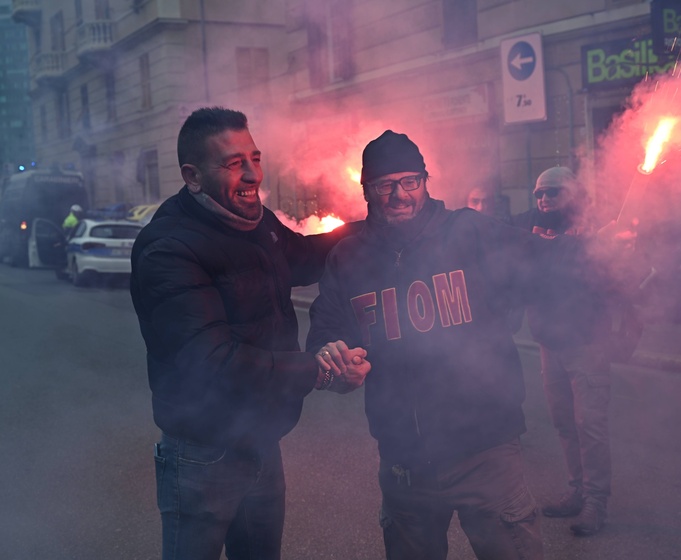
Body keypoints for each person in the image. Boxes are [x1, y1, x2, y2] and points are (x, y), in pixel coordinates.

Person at [306, 130, 584, 559]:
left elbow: (546, 262)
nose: (400, 194)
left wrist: (598, 250)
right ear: (367, 191)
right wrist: (334, 365)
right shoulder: (348, 256)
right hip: (403, 463)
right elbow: (324, 332)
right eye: (385, 185)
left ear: (425, 181)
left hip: (486, 452)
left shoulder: (470, 232)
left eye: (410, 181)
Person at [129, 107, 370, 560]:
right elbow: (211, 361)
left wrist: (375, 228)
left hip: (261, 438)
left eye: (255, 158)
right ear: (193, 176)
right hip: (201, 456)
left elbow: (303, 256)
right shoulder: (169, 249)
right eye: (233, 163)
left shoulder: (258, 224)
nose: (252, 174)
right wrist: (318, 370)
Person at [512, 166, 613, 536]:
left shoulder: (594, 228)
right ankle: (577, 491)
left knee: (591, 427)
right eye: (539, 193)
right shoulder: (530, 228)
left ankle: (596, 503)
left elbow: (597, 267)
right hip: (548, 342)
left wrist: (563, 248)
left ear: (570, 194)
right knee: (564, 423)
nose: (543, 200)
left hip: (587, 341)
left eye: (552, 193)